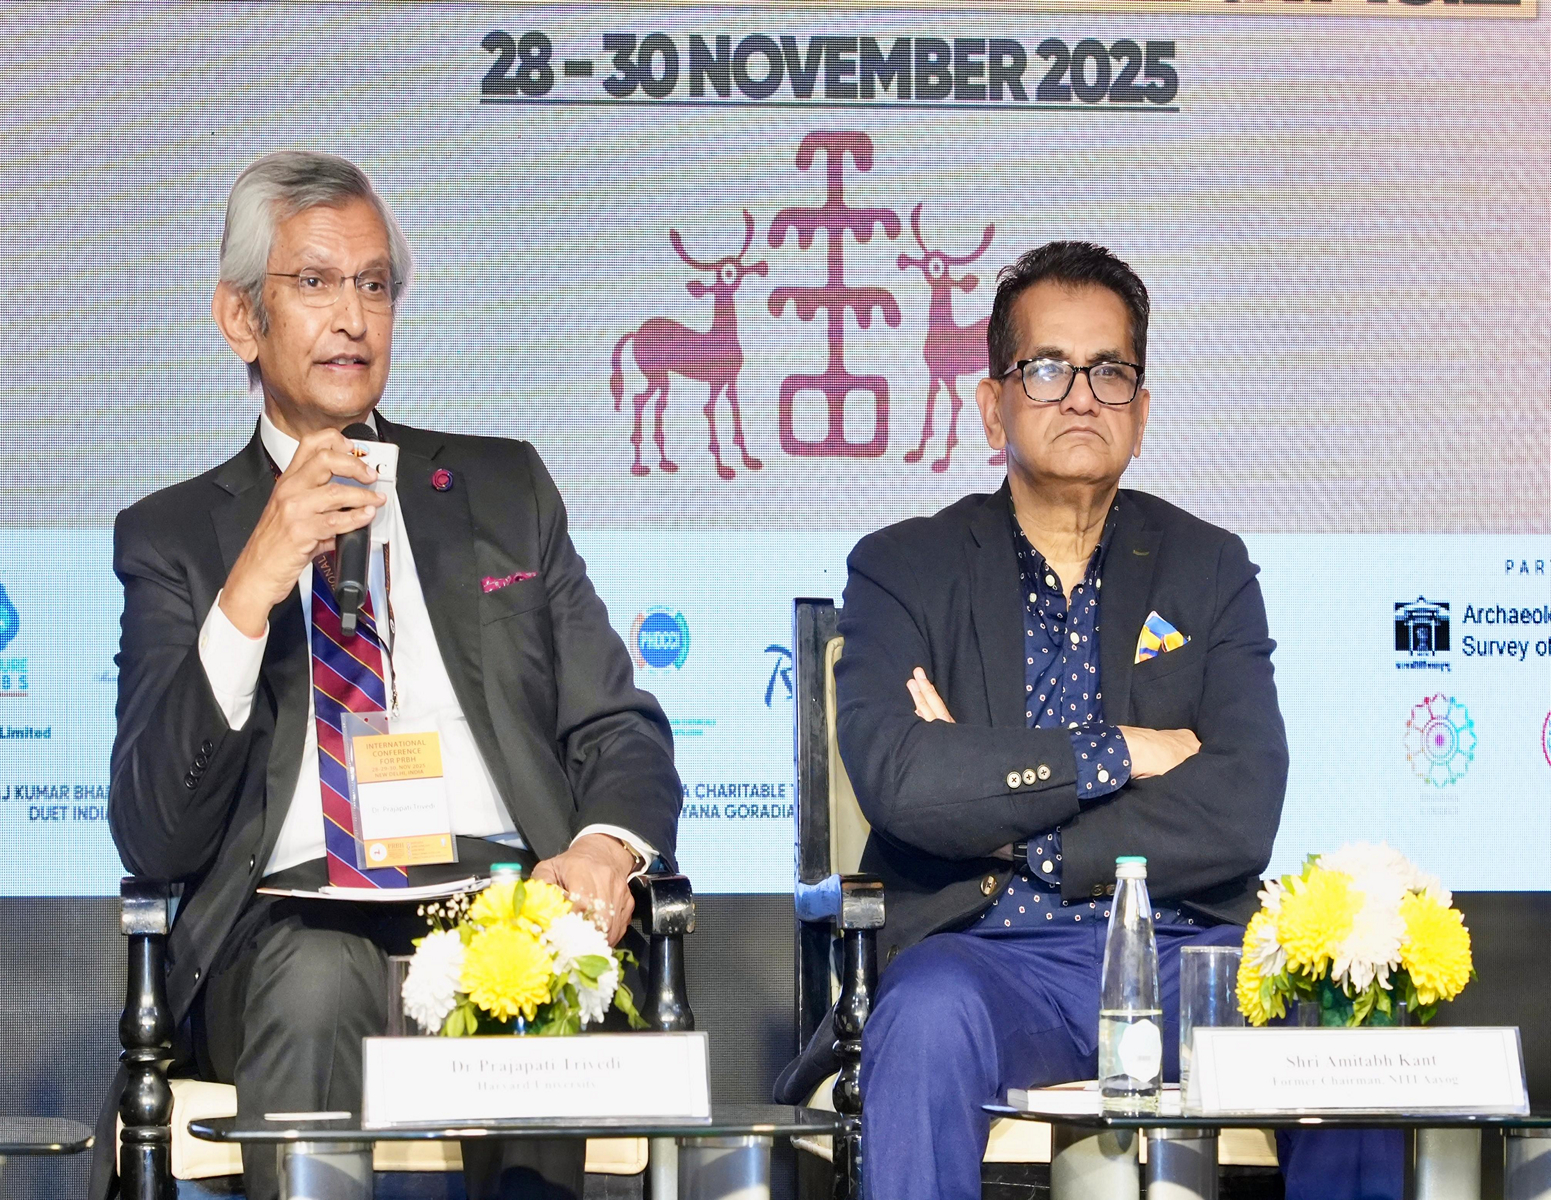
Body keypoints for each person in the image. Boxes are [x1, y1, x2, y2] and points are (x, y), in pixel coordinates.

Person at [93, 152, 681, 1200]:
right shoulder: (177, 538)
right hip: (290, 928)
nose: (353, 318)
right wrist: (255, 582)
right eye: (314, 284)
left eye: (375, 286)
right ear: (240, 319)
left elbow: (617, 725)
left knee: (532, 973)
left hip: (501, 901)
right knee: (319, 979)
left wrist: (600, 848)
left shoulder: (501, 487)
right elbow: (154, 830)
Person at [776, 242, 1400, 1199]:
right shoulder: (904, 568)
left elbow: (1241, 806)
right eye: (1048, 368)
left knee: (1346, 1019)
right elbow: (906, 786)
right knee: (926, 1019)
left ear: (1141, 414)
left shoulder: (1210, 567)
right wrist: (1121, 752)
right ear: (994, 403)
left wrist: (1011, 805)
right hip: (988, 961)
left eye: (1110, 371)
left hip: (1195, 957)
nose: (1081, 395)